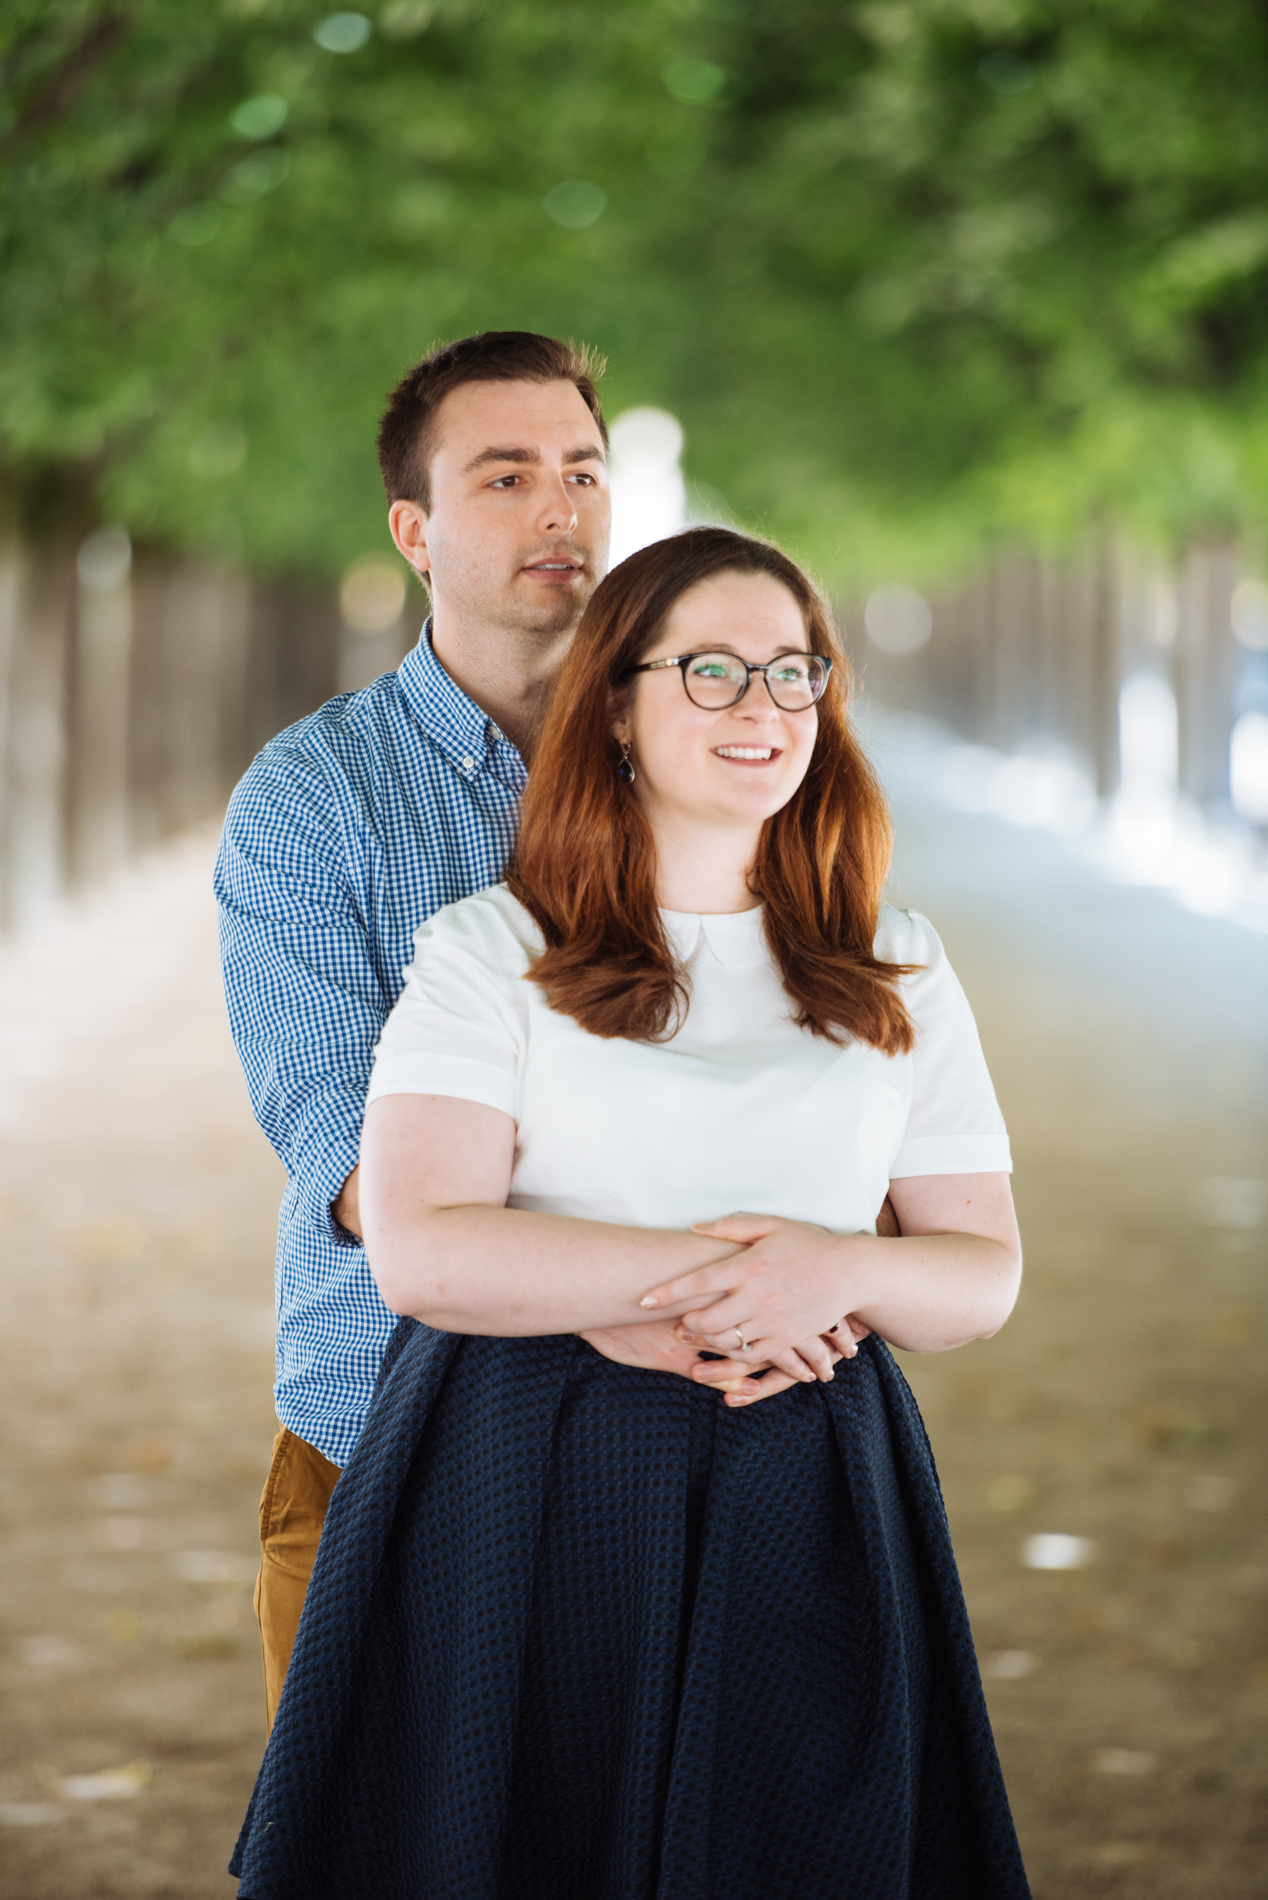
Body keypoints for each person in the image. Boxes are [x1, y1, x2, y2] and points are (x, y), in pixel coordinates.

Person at [230, 526, 1031, 1898]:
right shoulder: (491, 950)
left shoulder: (896, 957)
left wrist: (834, 1269)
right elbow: (423, 1245)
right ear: (614, 701)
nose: (762, 708)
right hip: (529, 1476)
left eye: (794, 673)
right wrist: (729, 1283)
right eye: (711, 670)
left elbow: (979, 1273)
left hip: (816, 1475)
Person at [215, 329, 618, 1727]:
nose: (558, 508)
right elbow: (342, 1151)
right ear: (415, 529)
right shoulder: (307, 798)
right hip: (382, 1423)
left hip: (666, 1433)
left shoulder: (696, 759)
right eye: (505, 476)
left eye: (581, 470)